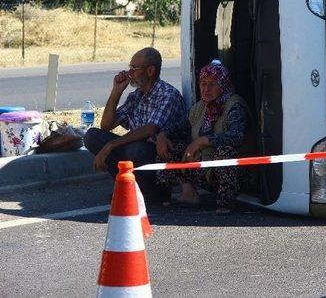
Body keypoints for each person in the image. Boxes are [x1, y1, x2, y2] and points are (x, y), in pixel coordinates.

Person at [83, 47, 187, 203]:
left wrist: (110, 146)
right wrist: (116, 91)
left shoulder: (167, 94)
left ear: (150, 71)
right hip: (137, 149)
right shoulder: (135, 96)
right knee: (92, 136)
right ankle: (125, 187)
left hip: (160, 154)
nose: (129, 73)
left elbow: (150, 129)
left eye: (134, 68)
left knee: (135, 148)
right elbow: (106, 125)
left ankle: (152, 191)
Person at [155, 60, 255, 214]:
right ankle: (189, 194)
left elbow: (236, 137)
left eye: (212, 84)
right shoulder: (199, 108)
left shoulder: (234, 105)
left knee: (225, 153)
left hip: (240, 173)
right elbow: (178, 127)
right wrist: (162, 135)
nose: (206, 89)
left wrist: (203, 141)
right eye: (203, 83)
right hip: (205, 167)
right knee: (171, 146)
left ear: (222, 86)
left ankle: (226, 202)